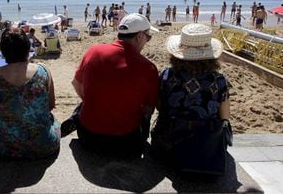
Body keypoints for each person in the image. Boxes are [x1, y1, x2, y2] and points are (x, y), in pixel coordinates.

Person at [62, 13, 159, 157]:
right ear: (139, 36)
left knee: (84, 104)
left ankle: (76, 118)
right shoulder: (148, 68)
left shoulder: (93, 52)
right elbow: (149, 109)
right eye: (148, 36)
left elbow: (76, 83)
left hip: (88, 138)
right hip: (125, 143)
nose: (147, 41)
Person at [151, 23, 231, 176]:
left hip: (169, 144)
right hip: (206, 148)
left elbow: (160, 107)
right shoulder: (219, 80)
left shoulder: (168, 75)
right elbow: (225, 116)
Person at [0, 29, 60, 159]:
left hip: (6, 147)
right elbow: (51, 105)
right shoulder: (43, 71)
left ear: (3, 52)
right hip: (44, 146)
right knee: (54, 121)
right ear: (28, 49)